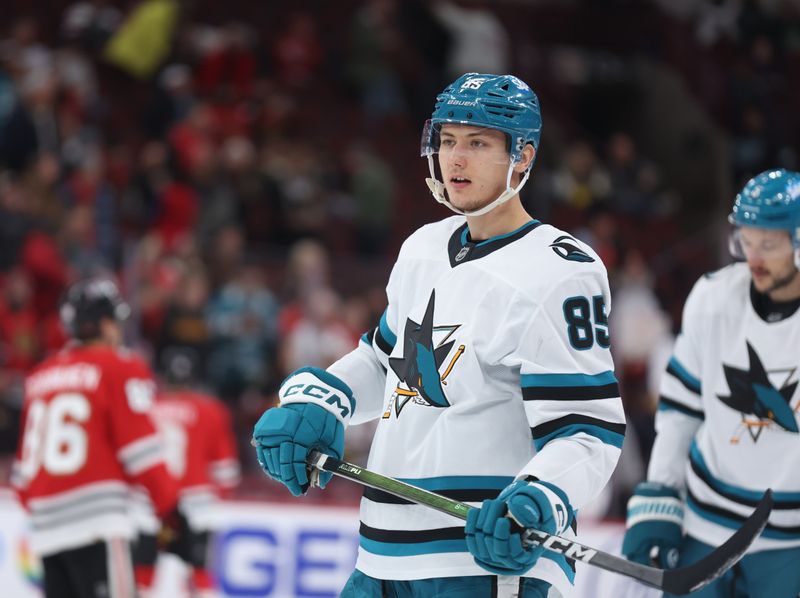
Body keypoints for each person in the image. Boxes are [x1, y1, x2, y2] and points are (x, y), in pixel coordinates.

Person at [252, 73, 625, 598]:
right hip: (379, 560)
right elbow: (385, 364)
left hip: (487, 566)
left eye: (478, 143)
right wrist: (323, 401)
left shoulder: (561, 271)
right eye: (448, 141)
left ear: (523, 156)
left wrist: (539, 501)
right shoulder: (423, 248)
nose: (456, 159)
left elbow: (587, 428)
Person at [622, 168, 800, 597]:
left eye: (768, 245)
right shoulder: (713, 297)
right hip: (704, 522)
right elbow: (680, 409)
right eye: (745, 241)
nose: (752, 257)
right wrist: (659, 495)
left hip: (791, 542)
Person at [11, 277, 178, 598]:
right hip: (98, 525)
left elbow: (22, 479)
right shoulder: (120, 367)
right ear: (104, 324)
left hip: (46, 534)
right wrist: (171, 509)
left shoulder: (39, 376)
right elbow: (141, 453)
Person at [133, 348, 241, 598]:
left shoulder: (145, 408)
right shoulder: (211, 409)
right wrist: (220, 492)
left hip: (150, 501)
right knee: (199, 572)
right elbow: (227, 471)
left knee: (142, 572)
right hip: (196, 502)